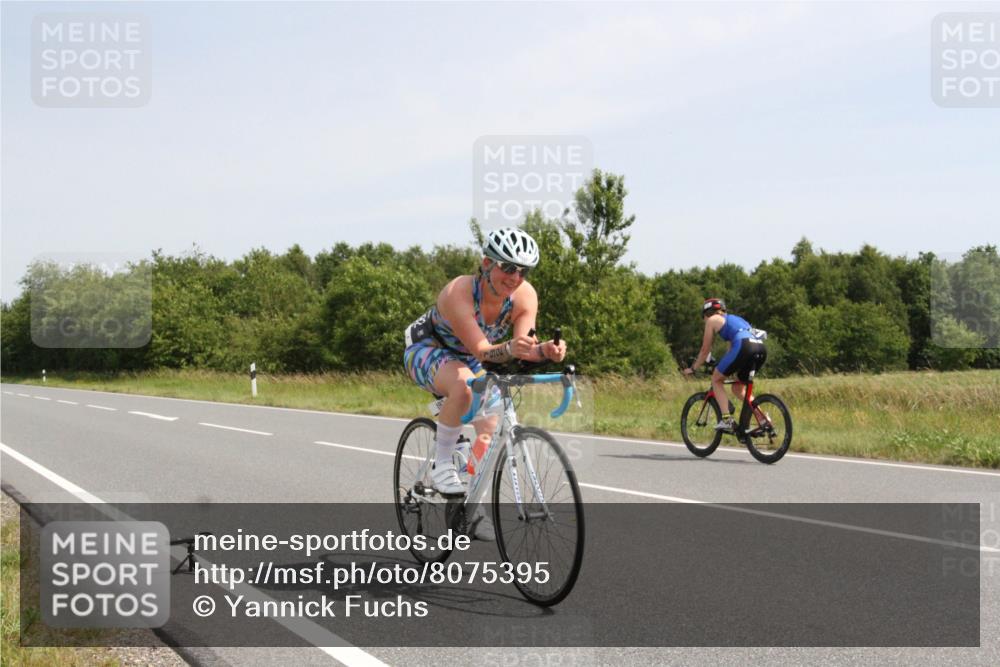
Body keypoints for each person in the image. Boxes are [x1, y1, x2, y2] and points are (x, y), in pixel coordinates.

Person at [403, 228, 567, 502]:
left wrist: (545, 351)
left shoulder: (525, 296)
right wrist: (513, 348)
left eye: (523, 272)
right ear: (487, 263)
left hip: (468, 359)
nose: (515, 278)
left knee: (488, 433)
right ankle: (442, 464)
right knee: (464, 386)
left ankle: (471, 507)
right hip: (427, 349)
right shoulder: (460, 291)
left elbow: (523, 347)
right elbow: (483, 352)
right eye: (509, 267)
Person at [683, 298, 767, 431]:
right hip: (760, 348)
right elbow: (732, 350)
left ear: (707, 313)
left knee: (716, 380)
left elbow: (705, 350)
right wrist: (725, 366)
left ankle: (727, 420)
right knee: (738, 389)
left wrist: (693, 368)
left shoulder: (712, 320)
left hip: (744, 346)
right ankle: (763, 419)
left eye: (703, 317)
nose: (704, 320)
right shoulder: (736, 319)